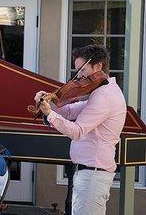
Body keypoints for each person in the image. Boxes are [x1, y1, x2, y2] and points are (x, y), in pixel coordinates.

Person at [35, 45, 124, 215]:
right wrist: (50, 103)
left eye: (82, 70)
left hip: (93, 176)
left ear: (98, 66)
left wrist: (50, 115)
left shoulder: (104, 96)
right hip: (89, 175)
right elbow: (69, 111)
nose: (79, 77)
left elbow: (77, 131)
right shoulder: (100, 92)